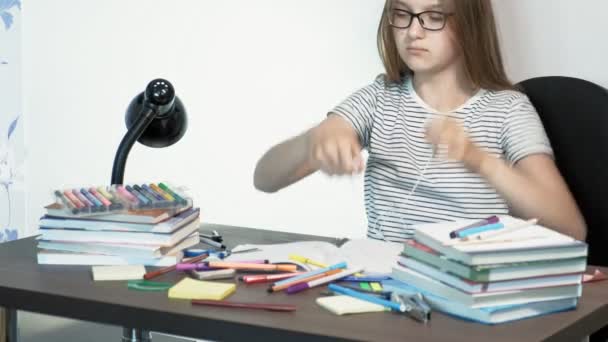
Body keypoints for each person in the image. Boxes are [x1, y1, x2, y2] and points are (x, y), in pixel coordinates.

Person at [253, 0, 586, 242]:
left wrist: (481, 160)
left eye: (434, 16)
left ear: (468, 23)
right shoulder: (378, 99)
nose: (413, 31)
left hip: (466, 293)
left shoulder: (508, 110)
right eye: (402, 13)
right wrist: (316, 140)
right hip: (385, 291)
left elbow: (571, 227)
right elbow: (264, 178)